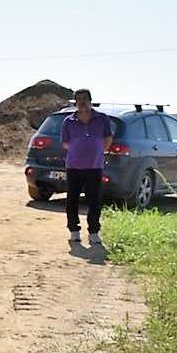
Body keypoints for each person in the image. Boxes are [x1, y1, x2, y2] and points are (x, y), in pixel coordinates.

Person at [60, 89, 114, 246]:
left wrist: (96, 151)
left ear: (90, 100)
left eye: (84, 99)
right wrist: (79, 150)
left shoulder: (102, 119)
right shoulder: (68, 121)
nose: (81, 102)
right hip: (74, 166)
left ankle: (94, 232)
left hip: (94, 166)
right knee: (72, 200)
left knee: (94, 201)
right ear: (75, 102)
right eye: (78, 99)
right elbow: (65, 143)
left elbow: (108, 139)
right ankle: (74, 231)